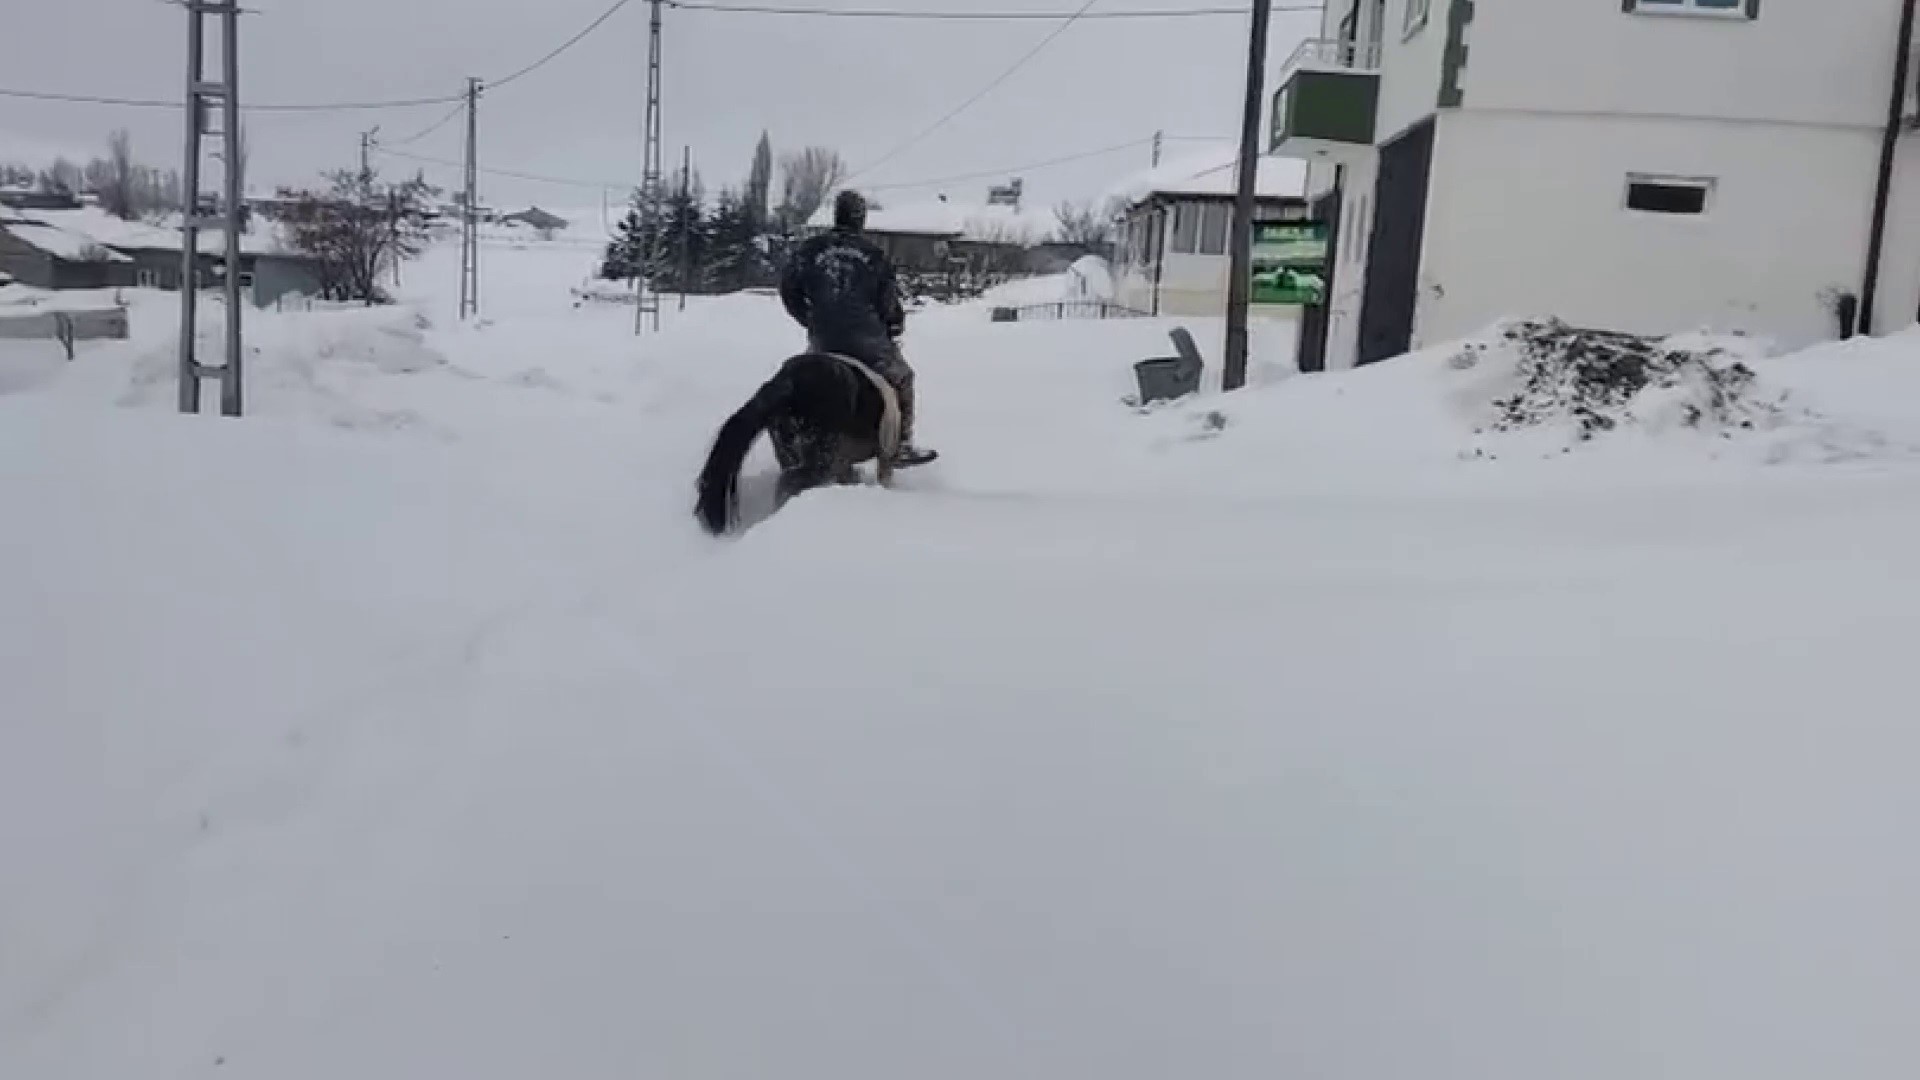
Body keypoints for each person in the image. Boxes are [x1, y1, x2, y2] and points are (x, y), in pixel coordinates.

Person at [779, 190, 936, 466]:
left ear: (836, 214)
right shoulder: (873, 255)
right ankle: (901, 445)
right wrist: (893, 324)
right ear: (860, 219)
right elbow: (888, 303)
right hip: (868, 343)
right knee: (903, 377)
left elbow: (788, 290)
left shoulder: (810, 250)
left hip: (824, 340)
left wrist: (810, 318)